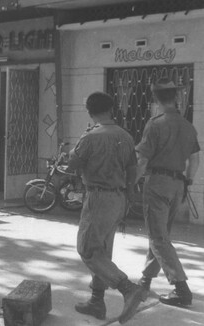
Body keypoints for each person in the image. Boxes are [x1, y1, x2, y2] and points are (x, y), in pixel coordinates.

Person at [67, 92, 143, 324]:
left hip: (98, 198)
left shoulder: (90, 137)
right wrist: (128, 196)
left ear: (89, 112)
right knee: (102, 252)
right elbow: (133, 170)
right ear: (112, 109)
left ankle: (128, 288)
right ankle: (96, 302)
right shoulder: (126, 136)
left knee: (88, 249)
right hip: (119, 199)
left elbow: (72, 164)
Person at [135, 78, 200, 307]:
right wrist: (188, 181)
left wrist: (129, 183)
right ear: (176, 97)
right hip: (178, 185)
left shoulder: (155, 124)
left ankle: (181, 288)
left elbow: (142, 160)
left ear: (155, 98)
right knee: (160, 235)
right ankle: (145, 279)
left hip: (158, 183)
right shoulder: (187, 126)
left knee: (157, 237)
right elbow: (194, 159)